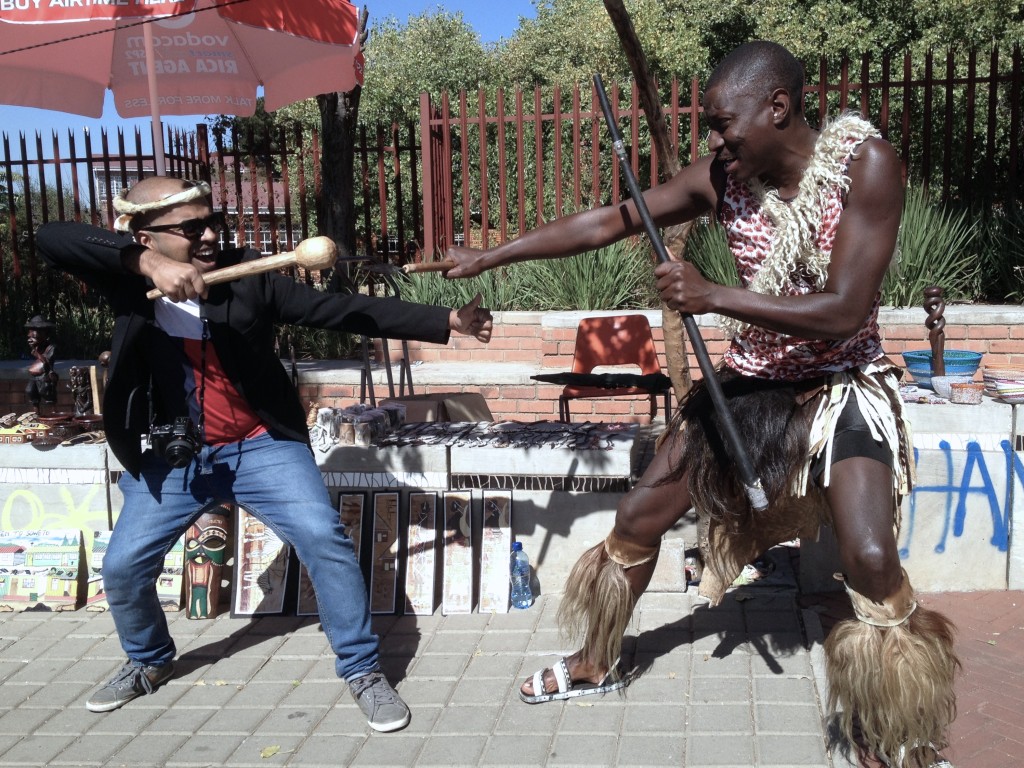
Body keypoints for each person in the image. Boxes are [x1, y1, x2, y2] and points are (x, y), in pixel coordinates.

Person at [445, 41, 957, 768]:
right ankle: (597, 658)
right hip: (749, 384)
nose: (715, 142)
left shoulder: (864, 166)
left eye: (724, 124)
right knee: (636, 518)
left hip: (843, 383)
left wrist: (713, 296)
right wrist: (491, 256)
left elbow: (845, 311)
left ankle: (899, 722)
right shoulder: (725, 177)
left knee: (871, 556)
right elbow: (609, 220)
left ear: (778, 107)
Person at [36, 176, 493, 732]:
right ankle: (148, 659)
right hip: (176, 456)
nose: (208, 235)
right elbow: (52, 236)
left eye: (213, 222)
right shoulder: (128, 282)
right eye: (189, 228)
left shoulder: (248, 277)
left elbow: (339, 310)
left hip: (261, 445)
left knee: (324, 538)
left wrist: (445, 320)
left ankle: (363, 670)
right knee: (123, 566)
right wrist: (146, 267)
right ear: (144, 236)